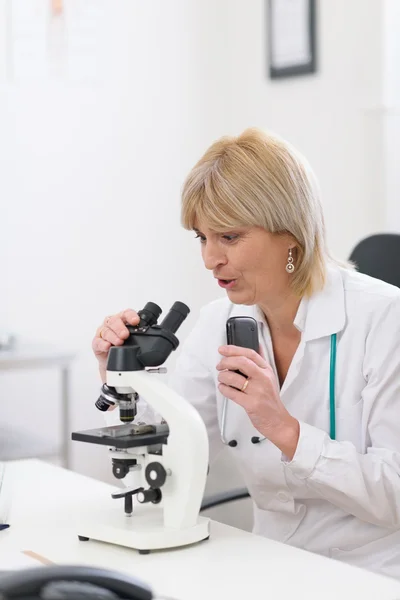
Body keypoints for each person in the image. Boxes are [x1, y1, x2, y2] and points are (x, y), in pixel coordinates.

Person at [92, 128, 400, 580]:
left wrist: (284, 428)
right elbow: (156, 477)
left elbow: (394, 495)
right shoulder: (218, 321)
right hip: (265, 563)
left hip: (371, 573)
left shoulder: (385, 319)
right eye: (201, 238)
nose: (209, 259)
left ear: (291, 235)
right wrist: (122, 383)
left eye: (230, 237)